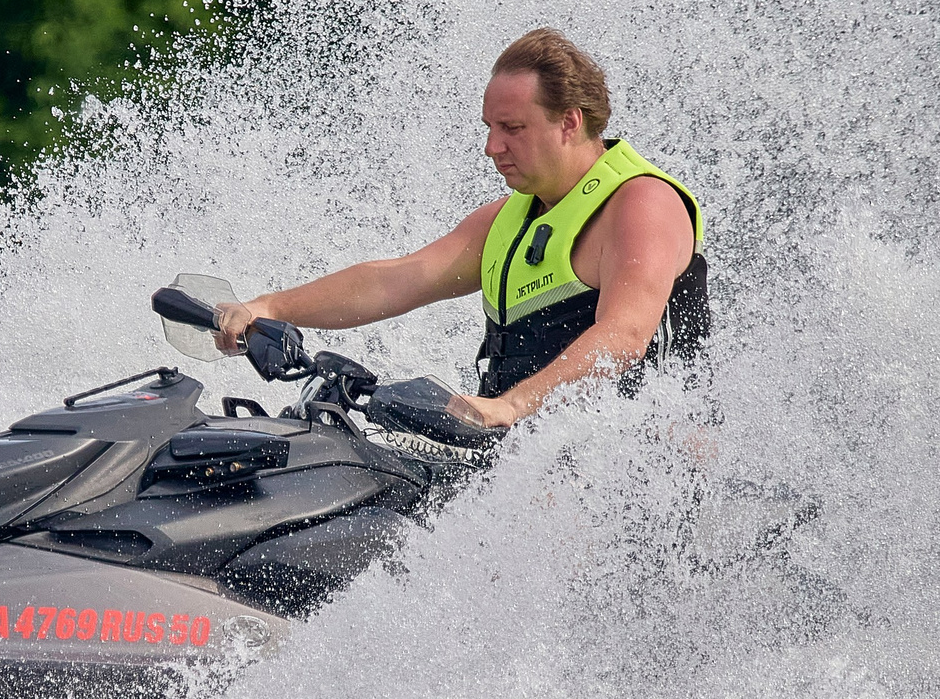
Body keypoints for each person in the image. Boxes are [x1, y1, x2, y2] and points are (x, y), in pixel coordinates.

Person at [213, 28, 706, 429]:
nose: (492, 147)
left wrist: (510, 406)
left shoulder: (642, 204)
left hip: (646, 487)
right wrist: (268, 307)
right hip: (530, 469)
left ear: (569, 123)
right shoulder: (507, 219)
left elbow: (623, 336)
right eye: (489, 128)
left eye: (512, 129)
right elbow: (399, 278)